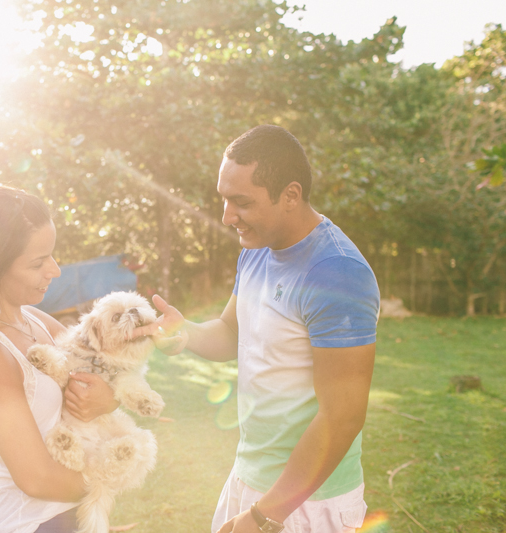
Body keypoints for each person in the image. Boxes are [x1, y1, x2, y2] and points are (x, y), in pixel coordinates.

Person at [135, 125, 380, 533]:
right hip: (250, 479)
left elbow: (343, 417)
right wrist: (185, 333)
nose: (228, 216)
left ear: (290, 195)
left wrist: (267, 516)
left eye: (241, 202)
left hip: (306, 503)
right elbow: (233, 333)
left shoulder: (337, 272)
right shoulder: (256, 250)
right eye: (224, 200)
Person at [0, 185, 119, 533]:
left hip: (68, 519)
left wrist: (109, 399)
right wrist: (113, 475)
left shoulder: (37, 321)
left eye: (52, 255)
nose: (56, 270)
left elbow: (103, 372)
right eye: (38, 262)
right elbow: (36, 478)